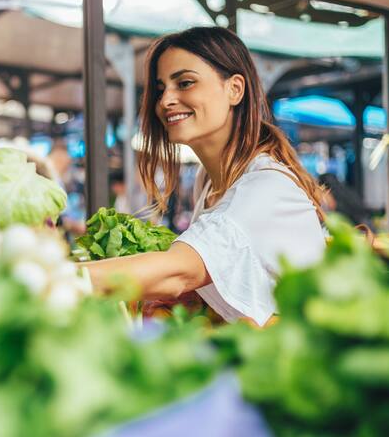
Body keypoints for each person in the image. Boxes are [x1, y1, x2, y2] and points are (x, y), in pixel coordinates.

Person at [84, 27, 326, 327]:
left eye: (185, 83)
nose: (166, 100)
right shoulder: (208, 180)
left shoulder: (267, 186)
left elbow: (179, 271)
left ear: (235, 89)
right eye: (161, 89)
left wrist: (62, 279)